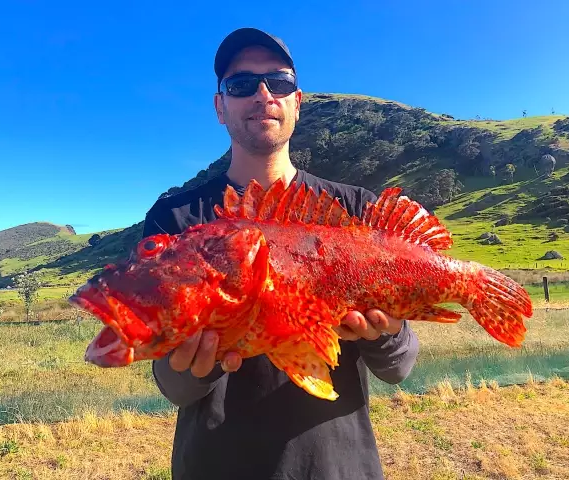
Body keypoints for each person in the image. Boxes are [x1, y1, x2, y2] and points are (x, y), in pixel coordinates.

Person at [142, 27, 420, 480]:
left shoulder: (354, 210)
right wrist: (198, 360)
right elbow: (173, 387)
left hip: (340, 467)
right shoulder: (177, 221)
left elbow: (400, 367)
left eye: (280, 82)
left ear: (297, 102)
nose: (263, 94)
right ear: (220, 107)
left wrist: (385, 332)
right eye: (241, 84)